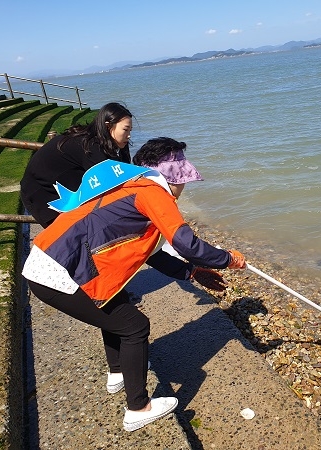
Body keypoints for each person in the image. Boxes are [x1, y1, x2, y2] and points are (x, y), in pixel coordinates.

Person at [22, 138, 247, 431]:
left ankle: (118, 373)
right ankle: (139, 407)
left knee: (114, 304)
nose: (184, 187)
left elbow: (155, 256)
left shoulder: (129, 189)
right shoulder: (153, 193)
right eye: (183, 179)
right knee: (135, 326)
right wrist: (228, 258)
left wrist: (192, 272)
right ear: (172, 177)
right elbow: (185, 243)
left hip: (46, 262)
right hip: (56, 272)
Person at [19, 102, 224, 290]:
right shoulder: (91, 148)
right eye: (125, 130)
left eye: (130, 130)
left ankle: (103, 285)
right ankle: (84, 288)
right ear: (109, 126)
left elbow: (128, 176)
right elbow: (115, 190)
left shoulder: (112, 146)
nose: (128, 136)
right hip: (42, 193)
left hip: (68, 184)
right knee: (78, 238)